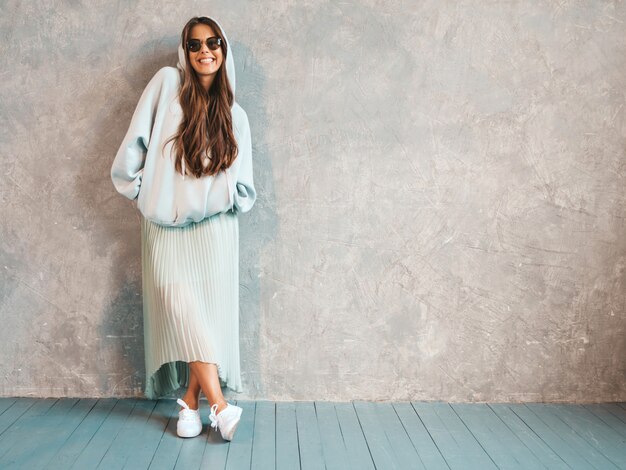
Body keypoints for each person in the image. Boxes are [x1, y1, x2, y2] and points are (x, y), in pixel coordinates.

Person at [110, 15, 256, 442]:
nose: (204, 51)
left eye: (213, 43)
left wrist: (218, 195)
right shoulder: (165, 86)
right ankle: (223, 408)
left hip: (214, 233)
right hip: (164, 230)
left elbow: (244, 191)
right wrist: (148, 195)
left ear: (224, 50)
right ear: (185, 52)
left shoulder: (237, 117)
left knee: (203, 321)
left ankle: (191, 405)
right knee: (181, 306)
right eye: (195, 44)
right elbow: (129, 157)